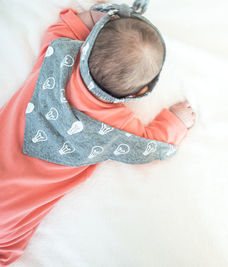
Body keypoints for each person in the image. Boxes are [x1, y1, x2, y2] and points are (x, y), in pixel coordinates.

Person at [0, 4, 196, 266]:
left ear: (88, 45)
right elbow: (150, 146)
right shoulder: (116, 128)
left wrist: (93, 17)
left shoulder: (59, 54)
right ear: (139, 93)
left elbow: (64, 27)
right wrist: (175, 121)